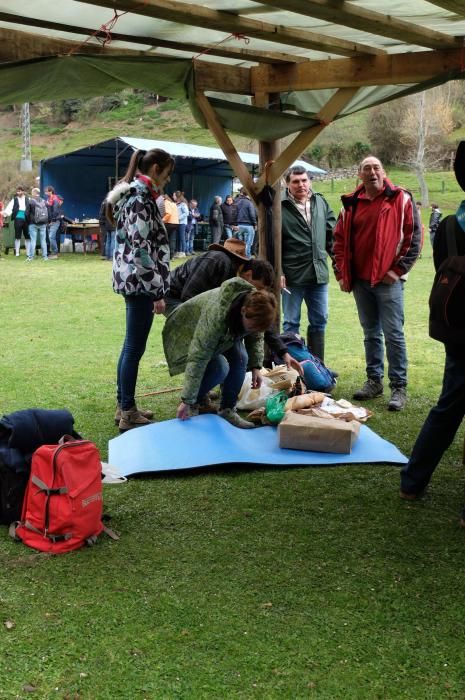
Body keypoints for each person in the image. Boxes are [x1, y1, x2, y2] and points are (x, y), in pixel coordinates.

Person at [400, 142, 465, 509]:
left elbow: (443, 270)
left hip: (456, 330)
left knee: (447, 408)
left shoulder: (451, 226)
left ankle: (412, 482)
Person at [333, 155, 422, 411]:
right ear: (359, 174)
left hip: (388, 281)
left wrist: (397, 271)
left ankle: (399, 387)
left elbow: (414, 237)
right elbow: (338, 241)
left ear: (383, 172)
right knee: (370, 333)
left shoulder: (400, 198)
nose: (372, 172)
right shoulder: (350, 203)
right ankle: (374, 381)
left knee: (393, 334)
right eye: (366, 168)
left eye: (376, 167)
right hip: (360, 280)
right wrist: (341, 273)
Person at [107, 147, 174, 432]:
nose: (168, 180)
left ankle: (124, 405)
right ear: (156, 169)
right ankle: (128, 411)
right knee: (134, 347)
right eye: (167, 174)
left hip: (133, 280)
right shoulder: (140, 199)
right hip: (139, 283)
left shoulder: (135, 195)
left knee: (131, 346)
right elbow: (141, 249)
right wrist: (156, 291)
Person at [164, 237, 301, 373]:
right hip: (175, 297)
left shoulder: (241, 280)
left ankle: (216, 379)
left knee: (238, 354)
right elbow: (189, 298)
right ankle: (203, 383)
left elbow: (262, 319)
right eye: (257, 287)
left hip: (196, 304)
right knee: (210, 345)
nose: (256, 293)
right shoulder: (217, 261)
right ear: (248, 274)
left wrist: (283, 352)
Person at [162, 277, 277, 428]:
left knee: (241, 357)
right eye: (252, 327)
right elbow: (198, 356)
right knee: (220, 367)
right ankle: (194, 403)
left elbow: (256, 336)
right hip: (184, 333)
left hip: (222, 335)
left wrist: (256, 366)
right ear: (243, 311)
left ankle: (227, 409)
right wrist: (187, 400)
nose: (254, 331)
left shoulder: (255, 307)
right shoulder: (217, 315)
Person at [281, 166, 336, 363]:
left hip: (318, 274)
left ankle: (317, 366)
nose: (300, 185)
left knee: (320, 321)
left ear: (309, 181)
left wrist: (338, 265)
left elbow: (332, 236)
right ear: (287, 184)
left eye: (304, 180)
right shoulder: (280, 206)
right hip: (292, 276)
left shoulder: (320, 202)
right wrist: (278, 272)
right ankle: (294, 368)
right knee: (290, 323)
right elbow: (269, 243)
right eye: (295, 181)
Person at [4, 185, 30, 257]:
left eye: (20, 191)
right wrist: (5, 214)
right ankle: (17, 253)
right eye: (18, 191)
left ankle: (28, 253)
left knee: (27, 236)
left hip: (26, 219)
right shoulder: (14, 199)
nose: (18, 192)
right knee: (17, 236)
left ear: (23, 191)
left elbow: (31, 208)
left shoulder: (28, 199)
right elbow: (9, 208)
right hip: (18, 219)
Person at [27, 188, 49, 261]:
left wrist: (28, 222)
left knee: (33, 240)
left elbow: (26, 214)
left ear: (33, 193)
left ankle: (31, 257)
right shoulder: (44, 202)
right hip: (43, 223)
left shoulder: (31, 202)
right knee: (43, 240)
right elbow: (47, 213)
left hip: (33, 223)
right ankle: (45, 257)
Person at [235, 188, 257, 256]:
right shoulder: (249, 203)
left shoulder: (235, 201)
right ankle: (248, 261)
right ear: (248, 194)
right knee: (248, 245)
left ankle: (240, 259)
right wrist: (255, 223)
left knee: (239, 245)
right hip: (248, 226)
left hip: (238, 225)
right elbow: (252, 214)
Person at [44, 186, 63, 259]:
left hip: (54, 221)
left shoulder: (55, 199)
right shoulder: (49, 199)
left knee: (51, 237)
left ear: (50, 191)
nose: (45, 193)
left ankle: (55, 253)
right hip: (49, 221)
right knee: (50, 238)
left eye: (46, 191)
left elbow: (55, 211)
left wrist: (53, 220)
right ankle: (53, 253)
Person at [98, 196, 115, 261]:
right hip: (112, 224)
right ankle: (111, 256)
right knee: (112, 240)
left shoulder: (104, 202)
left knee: (108, 240)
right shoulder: (112, 202)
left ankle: (107, 256)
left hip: (107, 224)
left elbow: (102, 214)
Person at [162, 193, 179, 259]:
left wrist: (162, 220)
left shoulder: (166, 202)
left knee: (165, 239)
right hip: (176, 223)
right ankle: (172, 255)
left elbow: (168, 214)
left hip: (169, 223)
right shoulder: (173, 203)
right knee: (172, 240)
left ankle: (165, 254)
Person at [175, 191, 189, 258]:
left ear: (177, 197)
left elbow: (186, 213)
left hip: (182, 223)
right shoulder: (176, 204)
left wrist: (178, 218)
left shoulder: (183, 204)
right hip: (177, 223)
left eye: (174, 195)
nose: (173, 197)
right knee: (177, 238)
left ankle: (183, 252)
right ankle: (178, 251)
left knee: (182, 238)